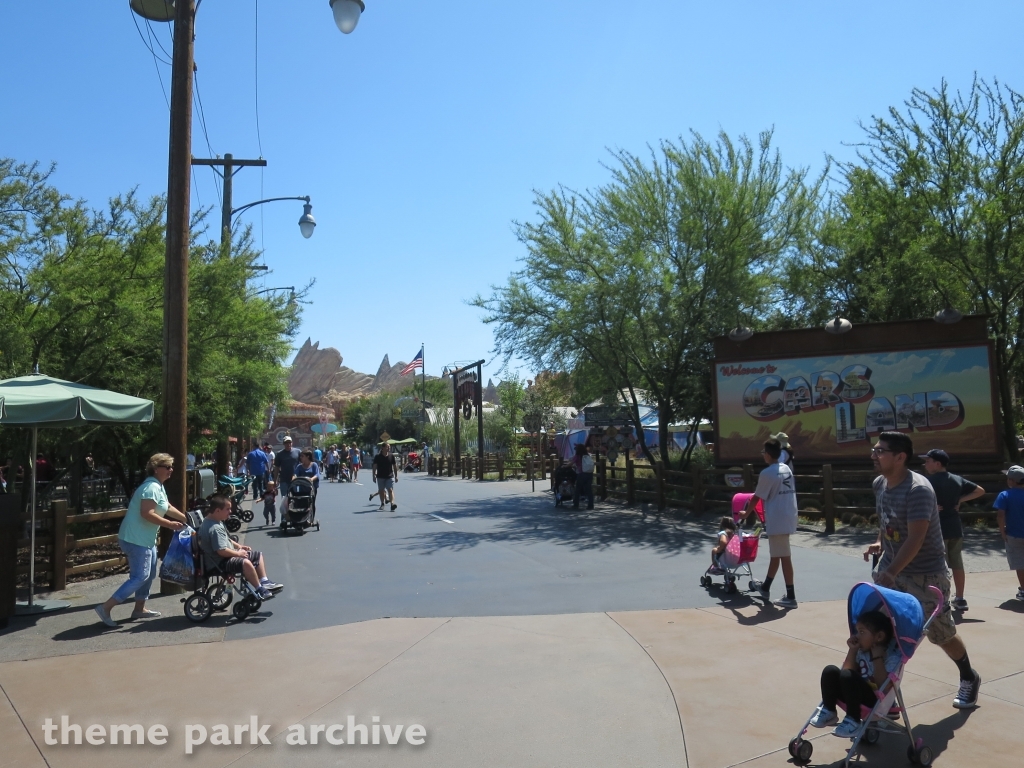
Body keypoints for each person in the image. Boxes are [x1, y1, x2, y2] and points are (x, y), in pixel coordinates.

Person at [864, 431, 980, 709]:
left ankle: (968, 676)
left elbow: (916, 539)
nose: (874, 455)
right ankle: (885, 698)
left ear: (900, 457)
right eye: (875, 450)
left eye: (881, 451)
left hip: (925, 576)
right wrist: (880, 541)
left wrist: (890, 572)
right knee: (882, 634)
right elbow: (887, 520)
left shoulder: (918, 489)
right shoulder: (880, 483)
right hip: (892, 573)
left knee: (941, 635)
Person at [94, 453, 187, 627]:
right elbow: (147, 513)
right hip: (135, 539)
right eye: (167, 467)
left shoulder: (158, 486)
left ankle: (139, 609)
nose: (171, 470)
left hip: (145, 539)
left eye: (171, 467)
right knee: (140, 576)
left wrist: (185, 518)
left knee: (150, 574)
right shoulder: (150, 487)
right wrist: (170, 524)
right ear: (156, 468)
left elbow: (166, 507)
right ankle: (105, 608)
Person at [809, 609, 902, 737]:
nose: (857, 636)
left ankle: (854, 720)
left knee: (848, 676)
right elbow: (845, 671)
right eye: (857, 631)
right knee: (830, 670)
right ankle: (829, 710)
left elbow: (883, 686)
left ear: (879, 637)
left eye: (862, 632)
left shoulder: (891, 657)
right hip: (853, 693)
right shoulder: (861, 652)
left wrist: (877, 658)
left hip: (874, 701)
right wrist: (852, 651)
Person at [920, 448, 984, 611]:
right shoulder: (957, 479)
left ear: (937, 463)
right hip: (955, 528)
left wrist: (932, 507)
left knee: (937, 565)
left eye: (928, 461)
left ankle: (941, 599)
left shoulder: (926, 481)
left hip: (935, 529)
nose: (925, 464)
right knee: (957, 564)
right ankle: (960, 598)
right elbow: (980, 491)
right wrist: (961, 499)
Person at [746, 437, 799, 607]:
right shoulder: (786, 469)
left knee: (785, 557)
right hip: (788, 515)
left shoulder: (767, 473)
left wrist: (745, 512)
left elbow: (756, 497)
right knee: (778, 555)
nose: (763, 456)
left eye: (763, 453)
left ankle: (790, 596)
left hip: (777, 518)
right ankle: (766, 587)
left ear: (768, 454)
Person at [198, 494, 281, 600]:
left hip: (224, 557)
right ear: (218, 511)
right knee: (245, 562)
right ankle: (259, 589)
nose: (230, 512)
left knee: (257, 555)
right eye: (227, 509)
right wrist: (238, 553)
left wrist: (239, 546)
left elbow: (226, 540)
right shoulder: (214, 528)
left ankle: (264, 581)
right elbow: (221, 550)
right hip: (218, 562)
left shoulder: (213, 521)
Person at [993, 465, 1024, 602]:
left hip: (1014, 534)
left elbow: (1000, 515)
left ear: (1012, 480)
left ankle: (1023, 589)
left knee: (1019, 563)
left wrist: (1002, 531)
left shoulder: (1005, 495)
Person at [273, 436, 302, 520]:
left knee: (296, 498)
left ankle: (296, 516)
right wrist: (275, 481)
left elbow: (302, 464)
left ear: (292, 443)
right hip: (284, 480)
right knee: (285, 499)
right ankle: (284, 518)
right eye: (286, 443)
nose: (288, 444)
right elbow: (277, 468)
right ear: (283, 444)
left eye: (289, 442)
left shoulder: (298, 452)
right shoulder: (279, 454)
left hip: (295, 480)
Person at [371, 442, 398, 511]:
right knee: (381, 490)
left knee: (390, 489)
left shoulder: (391, 456)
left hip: (389, 476)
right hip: (380, 476)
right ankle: (382, 503)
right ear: (382, 448)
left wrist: (396, 476)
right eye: (387, 447)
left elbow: (395, 466)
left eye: (389, 447)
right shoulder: (378, 456)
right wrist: (374, 475)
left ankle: (392, 504)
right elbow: (374, 466)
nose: (389, 448)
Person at [572, 443, 595, 510]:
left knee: (577, 489)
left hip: (582, 474)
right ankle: (591, 505)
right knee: (589, 490)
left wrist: (564, 466)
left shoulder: (577, 456)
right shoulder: (587, 455)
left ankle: (576, 504)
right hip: (589, 474)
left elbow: (571, 463)